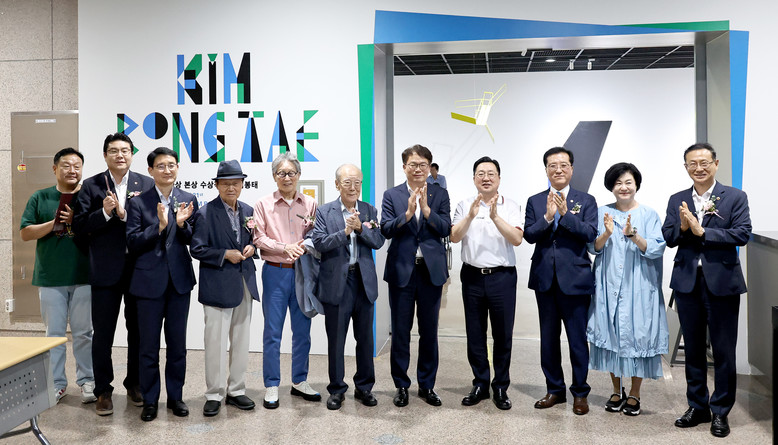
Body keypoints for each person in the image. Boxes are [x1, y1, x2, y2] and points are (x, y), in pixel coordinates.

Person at [662, 143, 751, 438]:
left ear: (715, 163)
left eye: (704, 162)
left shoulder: (735, 196)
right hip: (688, 281)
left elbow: (742, 233)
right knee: (694, 349)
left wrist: (704, 231)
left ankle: (721, 411)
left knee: (723, 350)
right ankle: (697, 406)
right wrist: (683, 228)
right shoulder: (677, 199)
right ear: (685, 167)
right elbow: (669, 237)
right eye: (692, 163)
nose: (698, 168)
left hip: (722, 282)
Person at [73, 132, 154, 415]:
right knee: (103, 334)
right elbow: (79, 226)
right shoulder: (92, 185)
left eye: (125, 150)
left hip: (138, 269)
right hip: (105, 271)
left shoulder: (146, 183)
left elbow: (151, 223)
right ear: (105, 155)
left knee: (138, 332)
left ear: (132, 154)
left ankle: (135, 384)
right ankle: (103, 391)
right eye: (114, 151)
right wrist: (105, 213)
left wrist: (125, 215)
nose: (120, 155)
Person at [587, 162, 669, 416]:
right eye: (618, 183)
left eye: (628, 182)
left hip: (639, 285)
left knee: (637, 335)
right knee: (611, 332)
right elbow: (592, 247)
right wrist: (606, 233)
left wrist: (634, 235)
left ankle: (634, 393)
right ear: (611, 187)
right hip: (608, 283)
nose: (623, 187)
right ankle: (616, 389)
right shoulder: (601, 212)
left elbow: (656, 248)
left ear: (636, 185)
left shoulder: (649, 214)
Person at [126, 147, 198, 422]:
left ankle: (176, 397)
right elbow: (132, 242)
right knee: (148, 347)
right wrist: (158, 226)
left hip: (179, 282)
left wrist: (181, 225)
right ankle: (150, 400)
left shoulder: (188, 199)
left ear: (177, 168)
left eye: (171, 165)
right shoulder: (138, 203)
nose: (167, 170)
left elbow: (194, 240)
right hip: (147, 283)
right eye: (161, 166)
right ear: (150, 171)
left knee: (178, 345)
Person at [524, 146, 597, 415]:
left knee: (577, 340)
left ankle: (580, 393)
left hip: (575, 280)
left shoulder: (586, 200)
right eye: (552, 165)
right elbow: (529, 235)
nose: (558, 170)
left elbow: (590, 233)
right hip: (545, 279)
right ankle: (554, 389)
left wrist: (566, 215)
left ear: (572, 169)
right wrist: (547, 217)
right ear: (546, 170)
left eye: (563, 165)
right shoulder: (535, 201)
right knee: (548, 339)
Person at [20, 147, 94, 405]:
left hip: (85, 276)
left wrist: (77, 221)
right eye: (66, 165)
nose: (72, 170)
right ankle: (57, 384)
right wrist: (54, 224)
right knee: (54, 334)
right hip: (51, 277)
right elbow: (25, 233)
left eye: (77, 166)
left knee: (84, 333)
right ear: (55, 169)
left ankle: (87, 381)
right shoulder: (40, 197)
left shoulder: (89, 196)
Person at [450, 156, 523, 410]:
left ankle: (500, 386)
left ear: (499, 178)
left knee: (502, 334)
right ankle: (480, 383)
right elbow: (454, 237)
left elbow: (517, 239)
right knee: (475, 333)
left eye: (491, 173)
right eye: (480, 173)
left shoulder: (510, 205)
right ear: (474, 179)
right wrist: (470, 216)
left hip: (502, 277)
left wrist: (495, 217)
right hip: (472, 276)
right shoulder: (464, 205)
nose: (486, 178)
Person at [381, 144, 451, 407]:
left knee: (429, 331)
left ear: (430, 167)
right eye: (413, 164)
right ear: (404, 167)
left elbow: (446, 228)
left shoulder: (440, 194)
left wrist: (427, 211)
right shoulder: (392, 195)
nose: (418, 169)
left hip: (430, 271)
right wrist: (409, 213)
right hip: (402, 271)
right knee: (401, 331)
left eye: (423, 164)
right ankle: (401, 385)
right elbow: (386, 229)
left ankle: (427, 385)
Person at [311, 164, 385, 410]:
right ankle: (336, 389)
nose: (353, 187)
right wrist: (345, 232)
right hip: (336, 283)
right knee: (336, 340)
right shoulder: (325, 211)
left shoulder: (369, 210)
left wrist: (361, 228)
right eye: (347, 182)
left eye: (357, 182)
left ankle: (364, 387)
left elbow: (378, 241)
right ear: (337, 185)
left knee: (365, 339)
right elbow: (320, 243)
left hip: (363, 282)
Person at [252, 151, 321, 409]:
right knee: (273, 332)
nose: (287, 177)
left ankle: (299, 380)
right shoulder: (263, 204)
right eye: (281, 173)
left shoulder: (310, 204)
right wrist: (284, 247)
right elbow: (258, 237)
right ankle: (272, 384)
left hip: (303, 272)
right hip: (275, 271)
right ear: (274, 176)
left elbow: (315, 233)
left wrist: (303, 245)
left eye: (291, 172)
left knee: (302, 331)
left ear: (299, 175)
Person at [191, 160, 260, 417]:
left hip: (244, 282)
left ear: (242, 184)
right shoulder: (205, 213)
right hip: (218, 284)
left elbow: (254, 239)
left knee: (241, 340)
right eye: (226, 183)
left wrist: (253, 247)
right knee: (216, 343)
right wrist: (224, 254)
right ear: (217, 185)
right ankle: (214, 393)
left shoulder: (248, 210)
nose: (231, 187)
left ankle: (236, 390)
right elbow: (197, 248)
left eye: (236, 183)